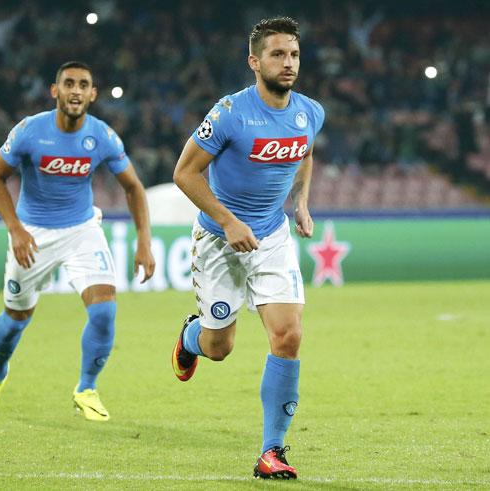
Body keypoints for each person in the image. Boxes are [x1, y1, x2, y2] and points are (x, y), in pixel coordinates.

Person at [170, 17, 324, 479]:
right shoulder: (230, 113)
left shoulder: (310, 111)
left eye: (294, 54)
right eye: (278, 54)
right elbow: (185, 173)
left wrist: (300, 202)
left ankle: (272, 450)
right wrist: (228, 220)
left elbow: (305, 151)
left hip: (272, 237)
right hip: (220, 240)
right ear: (255, 61)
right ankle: (190, 337)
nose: (288, 62)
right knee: (219, 347)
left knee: (289, 335)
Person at [0, 61, 155, 422]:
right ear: (54, 91)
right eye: (68, 83)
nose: (75, 90)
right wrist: (15, 229)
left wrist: (144, 242)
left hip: (82, 230)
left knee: (104, 310)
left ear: (93, 94)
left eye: (83, 84)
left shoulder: (101, 136)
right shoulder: (29, 131)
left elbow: (133, 187)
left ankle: (86, 388)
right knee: (15, 318)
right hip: (33, 235)